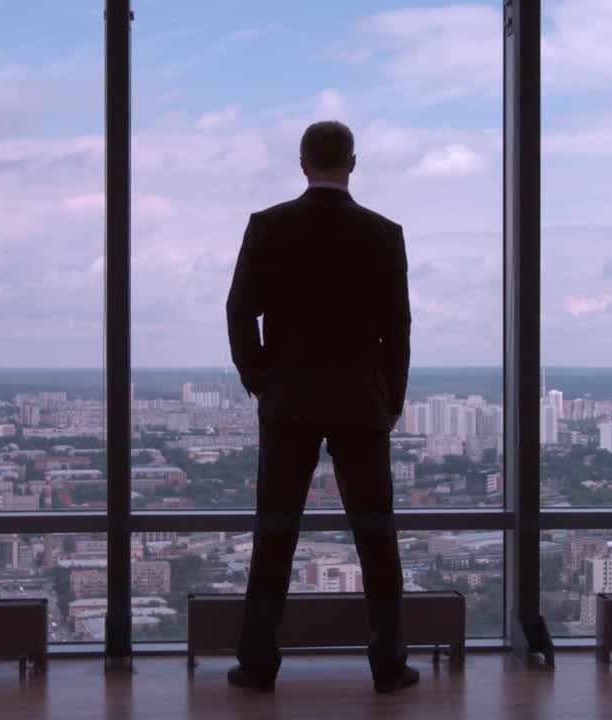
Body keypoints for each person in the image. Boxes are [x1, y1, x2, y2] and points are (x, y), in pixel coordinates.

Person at [224, 120, 416, 694]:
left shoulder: (269, 227)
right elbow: (398, 330)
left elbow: (239, 311)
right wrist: (391, 399)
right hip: (361, 401)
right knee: (376, 536)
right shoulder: (384, 234)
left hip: (289, 400)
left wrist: (262, 379)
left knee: (275, 533)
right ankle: (388, 665)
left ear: (303, 162)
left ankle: (258, 663)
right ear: (352, 164)